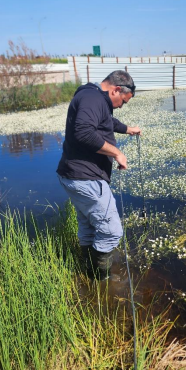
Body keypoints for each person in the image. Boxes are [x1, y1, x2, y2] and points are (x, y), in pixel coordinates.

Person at [56, 70, 141, 279]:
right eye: (123, 101)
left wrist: (127, 129)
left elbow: (106, 121)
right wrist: (117, 153)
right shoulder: (92, 98)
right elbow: (84, 132)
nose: (121, 106)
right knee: (111, 232)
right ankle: (100, 279)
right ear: (116, 89)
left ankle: (87, 272)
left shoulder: (93, 96)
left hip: (74, 175)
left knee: (88, 225)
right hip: (86, 178)